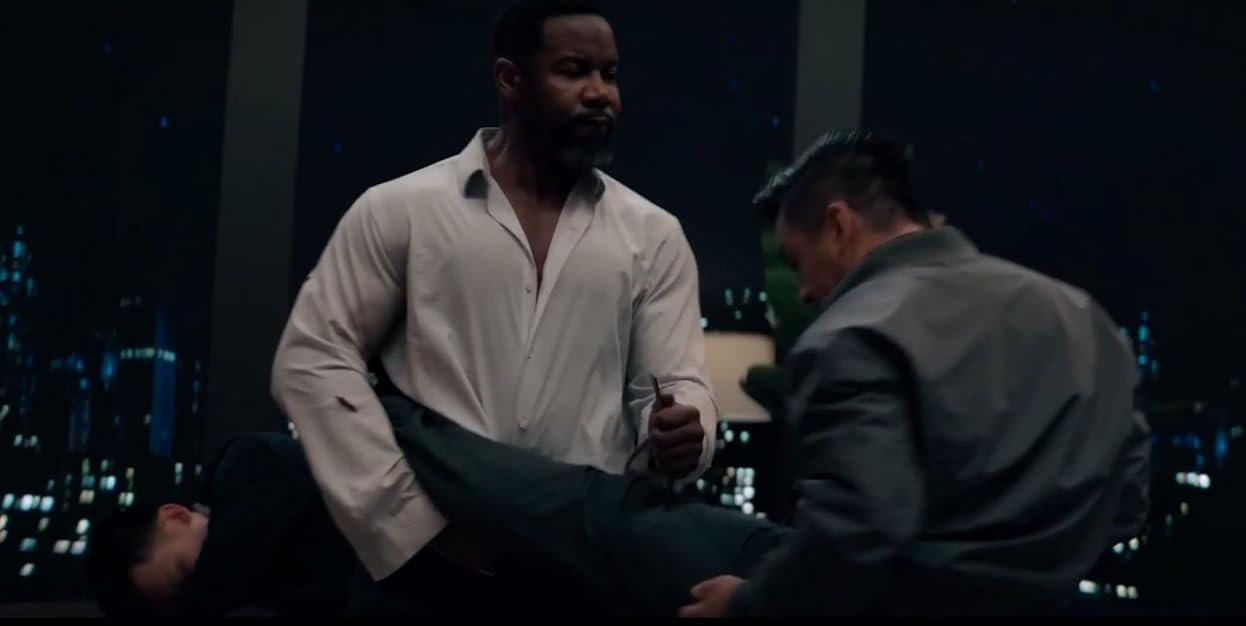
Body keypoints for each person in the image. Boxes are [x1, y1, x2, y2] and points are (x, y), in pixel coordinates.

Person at [373, 130, 1152, 618]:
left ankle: (394, 417)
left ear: (839, 225)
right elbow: (1128, 499)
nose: (804, 292)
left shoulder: (857, 330)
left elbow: (860, 532)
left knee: (594, 514)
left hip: (877, 596)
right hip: (1033, 596)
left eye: (798, 261)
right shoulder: (1080, 316)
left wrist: (752, 608)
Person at [269, 0, 716, 615]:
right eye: (573, 70)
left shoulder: (654, 235)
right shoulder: (400, 210)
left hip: (579, 571)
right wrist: (409, 525)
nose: (600, 93)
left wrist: (687, 430)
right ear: (510, 78)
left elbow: (675, 385)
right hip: (424, 576)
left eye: (609, 74)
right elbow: (310, 359)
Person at [85, 432, 360, 617]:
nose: (195, 590)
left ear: (175, 516)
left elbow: (229, 556)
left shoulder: (246, 463)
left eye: (183, 572)